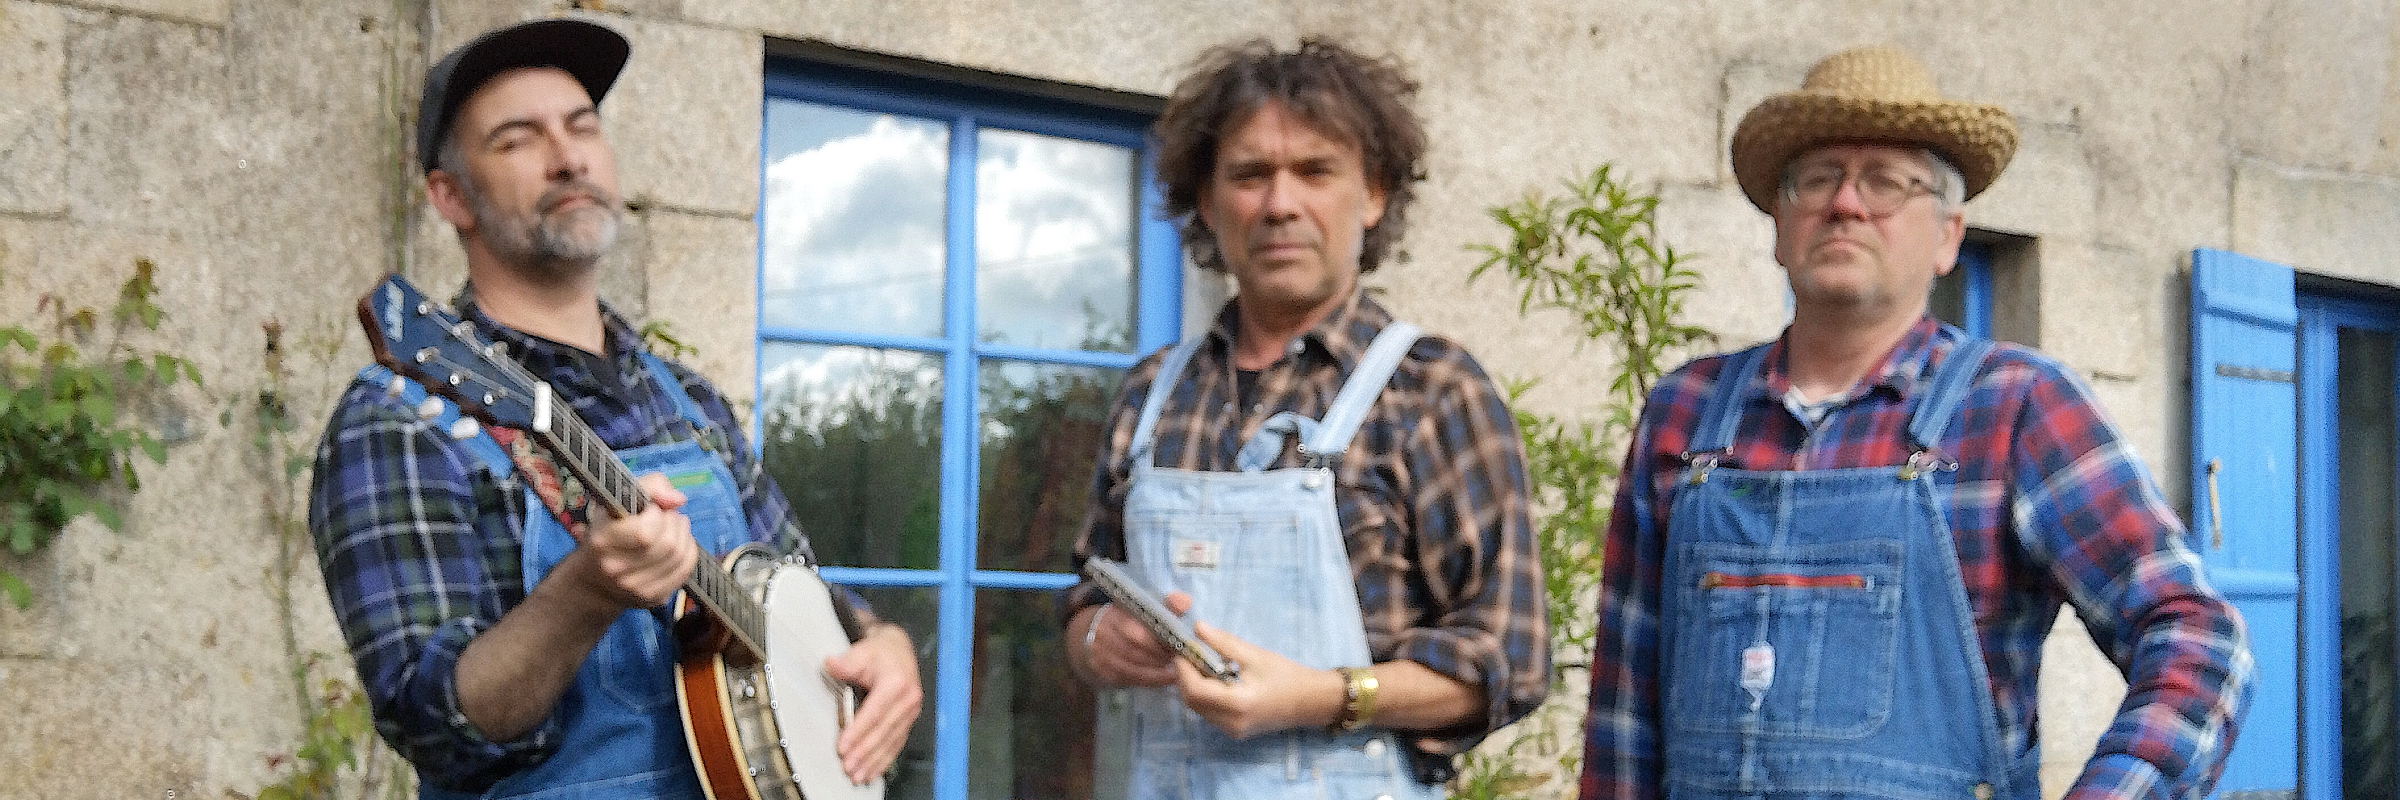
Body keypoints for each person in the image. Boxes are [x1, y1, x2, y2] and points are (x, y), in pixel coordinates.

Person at [1577, 46, 2251, 800]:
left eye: (1886, 182)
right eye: (1817, 177)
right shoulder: (1686, 412)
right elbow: (1622, 709)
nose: (1846, 204)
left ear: (1947, 237)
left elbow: (2196, 637)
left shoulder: (2017, 405)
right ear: (1778, 224)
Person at [308, 18, 920, 798]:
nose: (568, 157)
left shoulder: (687, 399)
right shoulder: (401, 416)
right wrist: (586, 594)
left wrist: (884, 644)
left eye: (582, 126)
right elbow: (434, 728)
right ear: (450, 196)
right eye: (518, 139)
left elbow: (797, 587)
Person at [1061, 37, 1548, 800]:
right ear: (1208, 202)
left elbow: (1507, 658)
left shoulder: (1432, 390)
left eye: (1315, 171)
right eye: (1249, 175)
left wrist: (1323, 696)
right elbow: (1088, 590)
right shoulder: (1152, 393)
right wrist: (1098, 640)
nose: (1280, 203)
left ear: (1374, 194)